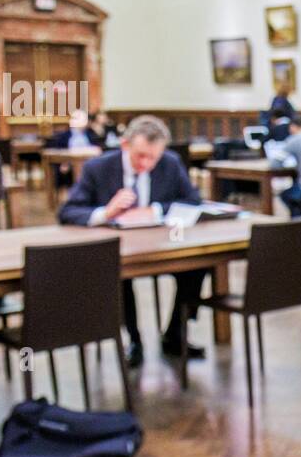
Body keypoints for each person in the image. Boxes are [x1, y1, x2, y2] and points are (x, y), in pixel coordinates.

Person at [57, 115, 206, 368]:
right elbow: (67, 212)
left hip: (160, 244)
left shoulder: (169, 163)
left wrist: (155, 210)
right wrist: (106, 212)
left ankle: (175, 333)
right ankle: (132, 339)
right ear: (125, 145)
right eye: (140, 156)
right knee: (118, 273)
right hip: (118, 247)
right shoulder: (99, 168)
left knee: (197, 265)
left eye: (153, 157)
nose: (146, 164)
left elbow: (192, 201)